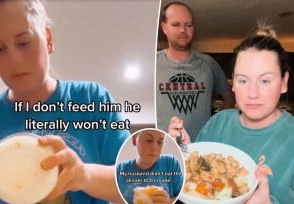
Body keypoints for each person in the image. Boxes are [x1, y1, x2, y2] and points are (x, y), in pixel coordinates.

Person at [0, 0, 129, 203]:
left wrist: (85, 176)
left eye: (24, 42)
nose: (14, 60)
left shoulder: (91, 98)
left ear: (48, 39)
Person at [169, 25, 294, 203]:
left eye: (265, 81)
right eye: (243, 80)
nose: (252, 93)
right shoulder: (217, 122)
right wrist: (186, 152)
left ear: (284, 82)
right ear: (233, 82)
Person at [156, 1, 235, 142]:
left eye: (188, 25)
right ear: (164, 27)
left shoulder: (209, 63)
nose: (183, 30)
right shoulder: (151, 64)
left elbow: (228, 95)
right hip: (163, 148)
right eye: (176, 25)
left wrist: (222, 128)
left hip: (203, 148)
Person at [116, 129, 183, 204]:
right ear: (135, 140)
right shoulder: (119, 170)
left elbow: (183, 198)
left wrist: (170, 202)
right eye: (149, 140)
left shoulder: (170, 163)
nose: (154, 148)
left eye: (160, 142)